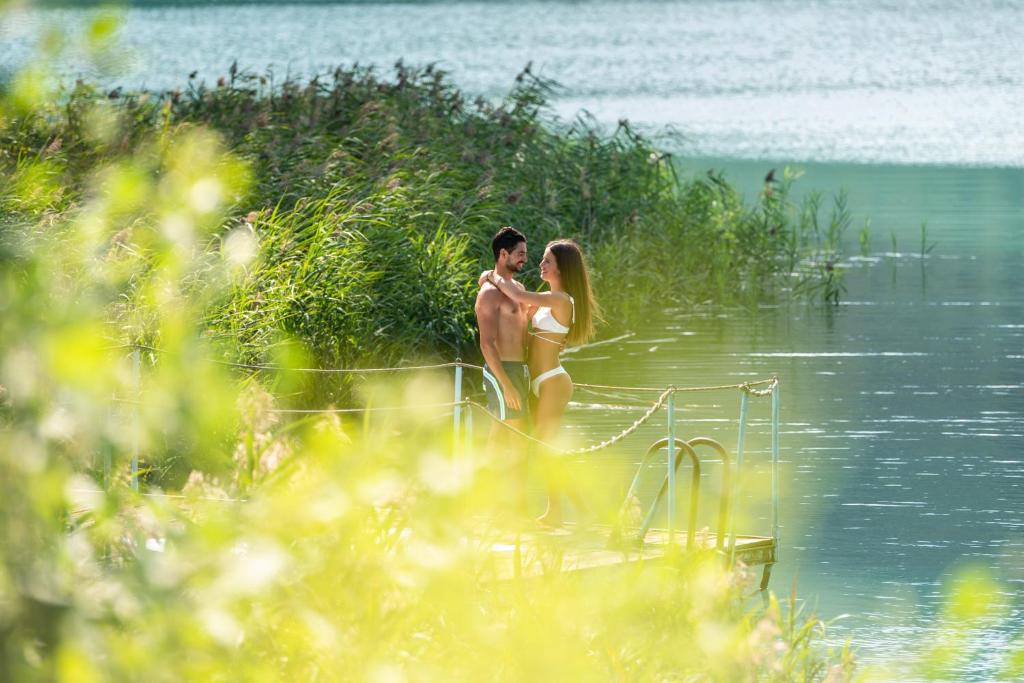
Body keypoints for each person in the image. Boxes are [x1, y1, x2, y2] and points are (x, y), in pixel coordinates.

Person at [481, 238, 599, 527]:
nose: (541, 264)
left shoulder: (561, 299)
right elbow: (521, 314)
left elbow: (518, 297)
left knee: (546, 450)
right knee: (542, 449)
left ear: (562, 268)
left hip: (552, 382)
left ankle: (575, 512)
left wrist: (491, 276)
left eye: (548, 261)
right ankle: (567, 511)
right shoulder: (548, 299)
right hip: (535, 381)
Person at [475, 226, 531, 513]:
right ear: (503, 253)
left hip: (520, 370)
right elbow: (486, 344)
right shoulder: (488, 295)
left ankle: (484, 504)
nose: (525, 260)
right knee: (517, 442)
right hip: (502, 372)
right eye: (520, 254)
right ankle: (516, 511)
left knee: (498, 443)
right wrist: (506, 384)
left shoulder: (517, 289)